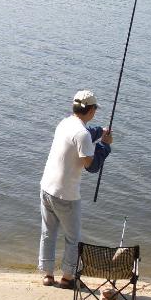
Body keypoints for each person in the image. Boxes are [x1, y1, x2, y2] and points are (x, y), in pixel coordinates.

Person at [38, 90, 113, 289]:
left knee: (48, 233)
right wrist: (105, 146)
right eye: (95, 108)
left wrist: (100, 132)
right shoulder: (82, 134)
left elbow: (86, 134)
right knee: (73, 238)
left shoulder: (65, 123)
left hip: (46, 188)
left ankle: (47, 275)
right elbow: (92, 165)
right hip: (66, 195)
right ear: (91, 110)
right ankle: (68, 278)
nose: (95, 112)